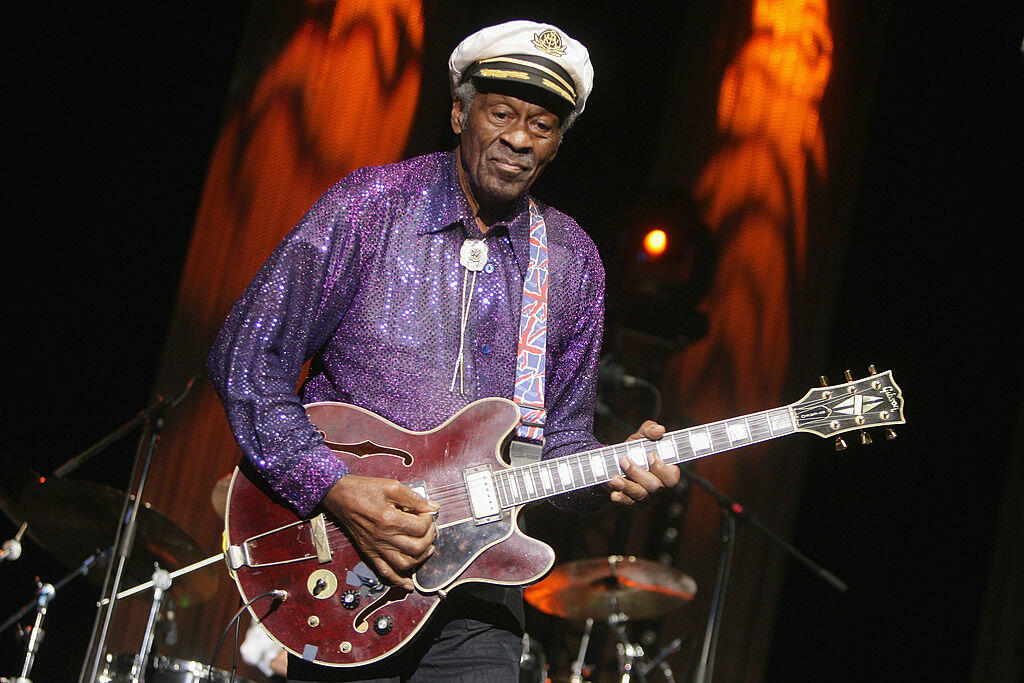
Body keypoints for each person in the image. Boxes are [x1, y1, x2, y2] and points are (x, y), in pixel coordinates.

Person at [206, 19, 679, 682]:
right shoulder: (369, 206)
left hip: (482, 589)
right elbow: (247, 359)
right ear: (459, 112)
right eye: (503, 112)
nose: (518, 137)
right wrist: (334, 488)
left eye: (542, 124)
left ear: (557, 144)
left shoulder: (571, 260)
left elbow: (561, 443)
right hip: (348, 568)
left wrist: (613, 472)